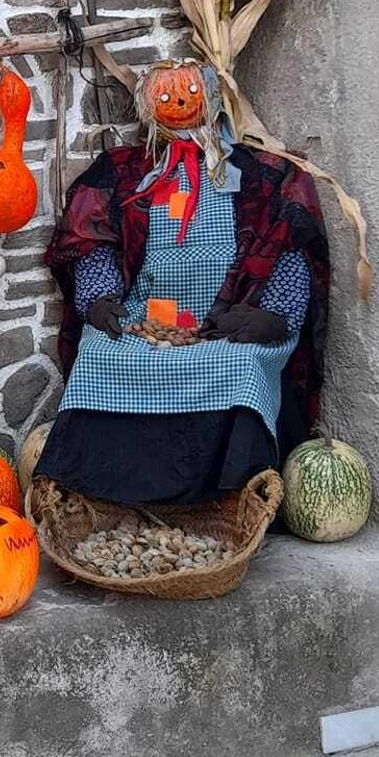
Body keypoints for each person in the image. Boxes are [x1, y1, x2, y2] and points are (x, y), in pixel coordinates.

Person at [36, 59, 328, 507]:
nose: (177, 104)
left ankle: (229, 498)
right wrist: (98, 298)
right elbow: (90, 237)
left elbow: (291, 239)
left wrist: (273, 315)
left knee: (244, 368)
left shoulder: (261, 177)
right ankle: (109, 494)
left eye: (188, 93)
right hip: (143, 322)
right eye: (166, 96)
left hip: (226, 327)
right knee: (100, 356)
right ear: (148, 106)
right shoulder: (122, 174)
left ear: (209, 98)